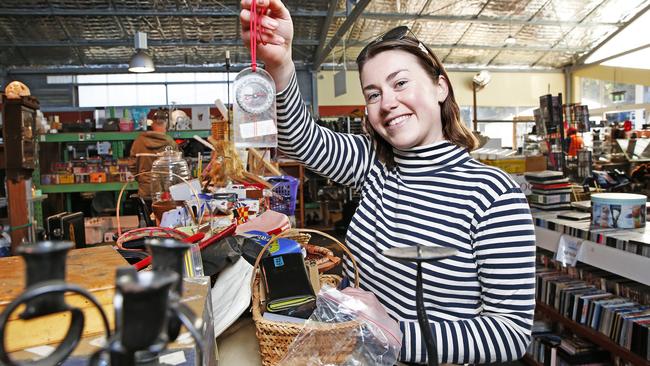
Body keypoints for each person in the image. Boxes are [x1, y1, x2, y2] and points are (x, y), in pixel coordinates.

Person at [240, 0, 536, 364]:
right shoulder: (374, 164)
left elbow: (510, 332)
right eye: (374, 93)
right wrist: (282, 64)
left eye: (400, 83)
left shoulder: (494, 195)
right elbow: (301, 140)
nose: (388, 102)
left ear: (440, 87)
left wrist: (394, 333)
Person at [129, 111, 178, 200]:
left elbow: (132, 166)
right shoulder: (171, 143)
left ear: (152, 124)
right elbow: (176, 169)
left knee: (147, 213)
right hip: (166, 193)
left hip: (145, 191)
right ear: (166, 125)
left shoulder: (139, 142)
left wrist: (143, 180)